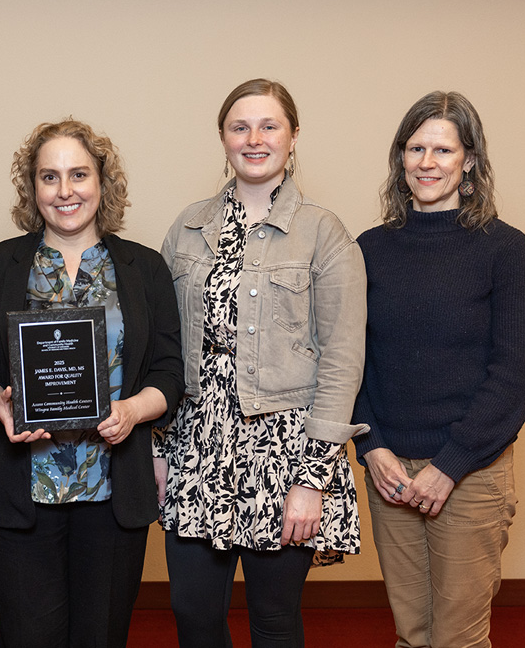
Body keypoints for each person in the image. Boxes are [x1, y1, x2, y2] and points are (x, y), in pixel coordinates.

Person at [154, 79, 367, 648]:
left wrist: (312, 479)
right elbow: (160, 349)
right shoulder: (188, 228)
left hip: (286, 454)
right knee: (193, 615)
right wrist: (156, 451)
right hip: (195, 449)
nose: (254, 139)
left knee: (274, 621)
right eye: (239, 126)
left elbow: (343, 361)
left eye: (269, 126)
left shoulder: (325, 232)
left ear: (293, 137)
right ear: (222, 138)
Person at [0, 119, 183, 648]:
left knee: (101, 636)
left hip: (112, 489)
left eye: (78, 174)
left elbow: (169, 371)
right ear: (31, 187)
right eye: (49, 177)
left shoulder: (143, 268)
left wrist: (133, 411)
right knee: (25, 637)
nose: (65, 191)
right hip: (24, 489)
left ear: (102, 182)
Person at [353, 91, 525, 648]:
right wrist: (372, 448)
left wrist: (449, 465)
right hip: (390, 472)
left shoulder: (504, 249)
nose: (427, 162)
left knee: (457, 638)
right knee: (411, 634)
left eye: (443, 149)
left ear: (470, 161)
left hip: (471, 471)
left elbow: (511, 378)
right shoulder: (368, 249)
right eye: (415, 148)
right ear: (400, 158)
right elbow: (351, 364)